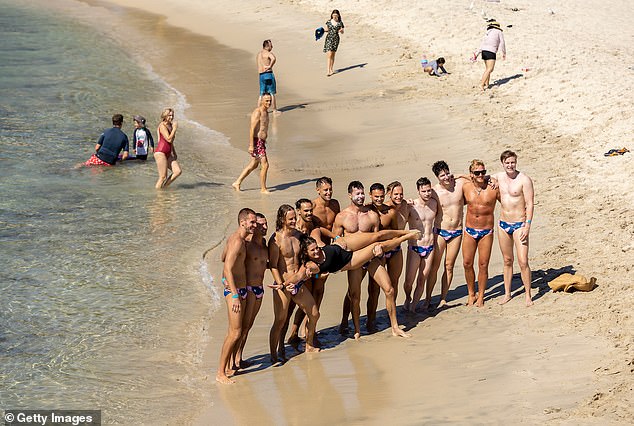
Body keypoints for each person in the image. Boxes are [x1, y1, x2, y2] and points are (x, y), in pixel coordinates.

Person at [293, 230, 418, 338]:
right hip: (352, 261)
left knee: (389, 289)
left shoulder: (319, 246)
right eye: (312, 250)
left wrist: (335, 237)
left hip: (353, 248)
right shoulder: (311, 265)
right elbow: (303, 274)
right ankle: (357, 330)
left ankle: (395, 327)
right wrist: (314, 276)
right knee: (354, 296)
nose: (316, 251)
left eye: (316, 248)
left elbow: (318, 229)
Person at [268, 205, 320, 363]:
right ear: (282, 219)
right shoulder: (276, 239)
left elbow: (307, 256)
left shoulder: (299, 236)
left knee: (314, 313)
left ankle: (309, 344)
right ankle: (275, 353)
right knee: (280, 320)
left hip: (299, 282)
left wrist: (309, 269)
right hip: (283, 283)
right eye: (290, 219)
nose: (293, 221)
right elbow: (273, 265)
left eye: (294, 218)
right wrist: (281, 284)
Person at [216, 208, 258, 384]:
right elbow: (227, 267)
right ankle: (220, 373)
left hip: (239, 289)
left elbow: (222, 257)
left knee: (237, 331)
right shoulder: (237, 242)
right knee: (235, 333)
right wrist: (234, 294)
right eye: (252, 222)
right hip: (235, 292)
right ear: (243, 223)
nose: (254, 225)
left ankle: (230, 366)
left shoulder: (237, 239)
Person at [492, 150, 535, 306]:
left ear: (516, 162)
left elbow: (530, 204)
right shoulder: (498, 177)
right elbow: (478, 177)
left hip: (519, 224)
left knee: (523, 261)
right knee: (507, 260)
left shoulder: (524, 180)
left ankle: (528, 295)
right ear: (502, 163)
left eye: (512, 162)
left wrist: (527, 226)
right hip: (503, 224)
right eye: (507, 163)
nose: (510, 165)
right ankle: (507, 293)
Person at [426, 161, 467, 309]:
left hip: (456, 231)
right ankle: (428, 298)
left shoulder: (460, 184)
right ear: (437, 177)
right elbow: (422, 201)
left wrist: (457, 175)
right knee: (435, 266)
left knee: (449, 266)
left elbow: (473, 178)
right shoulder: (435, 191)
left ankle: (443, 298)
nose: (446, 177)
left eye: (447, 173)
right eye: (442, 175)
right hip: (441, 231)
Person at [232, 212, 268, 370]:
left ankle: (239, 356)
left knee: (249, 325)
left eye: (266, 224)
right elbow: (231, 261)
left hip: (260, 288)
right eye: (261, 225)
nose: (264, 227)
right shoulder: (246, 243)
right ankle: (233, 360)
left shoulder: (264, 243)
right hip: (249, 288)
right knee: (242, 327)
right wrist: (230, 285)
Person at [462, 160, 499, 307]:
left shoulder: (493, 188)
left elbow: (509, 202)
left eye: (483, 172)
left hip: (486, 231)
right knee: (467, 263)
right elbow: (452, 181)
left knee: (483, 264)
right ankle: (471, 293)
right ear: (471, 174)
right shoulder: (466, 188)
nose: (481, 175)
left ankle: (482, 295)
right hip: (469, 230)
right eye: (477, 173)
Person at [365, 183, 398, 331]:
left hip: (392, 250)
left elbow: (396, 232)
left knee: (392, 286)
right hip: (375, 253)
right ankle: (370, 321)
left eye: (381, 196)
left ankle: (392, 318)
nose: (379, 199)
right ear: (370, 195)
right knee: (373, 289)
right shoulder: (366, 211)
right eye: (376, 196)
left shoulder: (390, 212)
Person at [402, 177, 438, 313]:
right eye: (424, 191)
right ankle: (407, 298)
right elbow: (401, 221)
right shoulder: (412, 206)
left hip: (430, 246)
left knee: (422, 279)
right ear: (418, 191)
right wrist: (406, 205)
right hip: (415, 247)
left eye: (429, 190)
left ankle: (412, 308)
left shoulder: (434, 204)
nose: (427, 193)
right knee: (409, 281)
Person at [232, 94, 272, 194]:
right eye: (266, 101)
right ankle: (263, 189)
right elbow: (252, 129)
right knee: (265, 164)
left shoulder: (266, 112)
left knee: (253, 165)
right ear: (262, 101)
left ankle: (237, 182)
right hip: (256, 141)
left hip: (261, 142)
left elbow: (263, 127)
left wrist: (264, 139)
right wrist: (251, 145)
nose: (269, 103)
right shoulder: (257, 112)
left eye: (270, 101)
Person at [384, 181, 410, 303]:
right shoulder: (384, 208)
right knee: (379, 286)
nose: (399, 197)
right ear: (389, 193)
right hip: (384, 249)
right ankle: (372, 318)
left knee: (395, 282)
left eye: (401, 194)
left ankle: (392, 311)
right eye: (396, 194)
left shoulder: (405, 205)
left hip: (397, 249)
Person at [154, 107, 182, 189]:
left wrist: (174, 152)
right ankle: (158, 195)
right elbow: (169, 139)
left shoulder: (170, 125)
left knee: (177, 171)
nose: (171, 117)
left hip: (168, 152)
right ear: (165, 116)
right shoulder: (162, 125)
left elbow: (171, 142)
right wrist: (175, 129)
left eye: (172, 115)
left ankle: (164, 188)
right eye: (169, 115)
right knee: (162, 177)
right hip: (160, 152)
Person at [474, 20, 506, 91]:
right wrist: (504, 53)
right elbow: (502, 43)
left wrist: (477, 53)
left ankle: (487, 84)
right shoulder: (499, 32)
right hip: (491, 51)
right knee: (490, 69)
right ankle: (481, 84)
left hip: (484, 51)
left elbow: (482, 43)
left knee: (487, 69)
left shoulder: (487, 33)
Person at [257, 40, 280, 114]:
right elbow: (273, 58)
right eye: (271, 45)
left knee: (261, 94)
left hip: (261, 75)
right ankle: (274, 110)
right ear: (267, 46)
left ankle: (259, 110)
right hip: (268, 74)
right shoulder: (268, 53)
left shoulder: (259, 54)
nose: (272, 47)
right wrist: (270, 66)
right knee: (272, 93)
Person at [323, 9, 345, 76]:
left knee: (333, 54)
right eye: (333, 15)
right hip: (329, 38)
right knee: (329, 54)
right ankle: (328, 70)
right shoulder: (329, 22)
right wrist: (322, 30)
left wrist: (341, 31)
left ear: (338, 16)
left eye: (336, 15)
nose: (334, 16)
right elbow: (327, 30)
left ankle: (331, 69)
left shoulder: (340, 23)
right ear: (332, 15)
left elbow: (342, 31)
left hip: (336, 39)